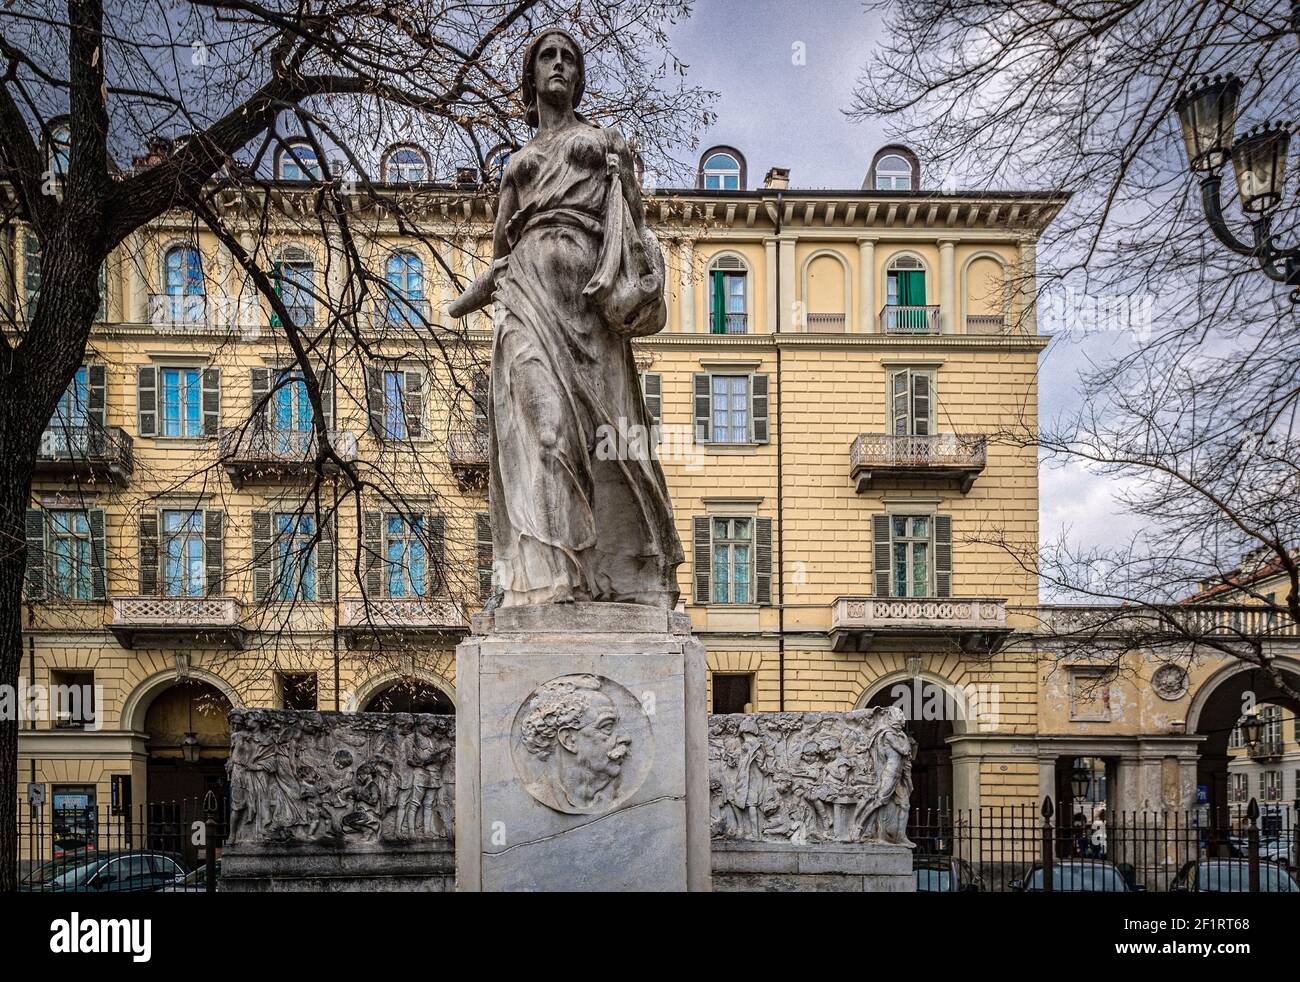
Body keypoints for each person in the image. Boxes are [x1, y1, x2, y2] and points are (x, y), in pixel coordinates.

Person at [447, 27, 682, 609]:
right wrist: (473, 294)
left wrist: (626, 177)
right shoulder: (516, 165)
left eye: (569, 58)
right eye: (547, 57)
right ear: (530, 78)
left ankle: (615, 570)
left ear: (579, 75)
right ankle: (553, 577)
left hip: (589, 303)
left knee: (609, 440)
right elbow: (500, 249)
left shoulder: (602, 141)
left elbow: (631, 220)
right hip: (527, 299)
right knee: (544, 434)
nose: (558, 65)